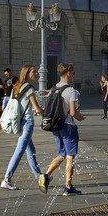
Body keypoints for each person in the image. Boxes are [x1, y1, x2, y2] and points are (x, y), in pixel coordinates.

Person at [34, 62, 86, 195]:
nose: (73, 76)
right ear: (68, 73)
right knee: (70, 157)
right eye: (73, 73)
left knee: (61, 154)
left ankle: (45, 175)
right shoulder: (71, 91)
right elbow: (73, 113)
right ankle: (68, 187)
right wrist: (81, 118)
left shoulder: (53, 88)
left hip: (56, 126)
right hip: (68, 127)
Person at [0, 65, 44, 189]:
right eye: (34, 71)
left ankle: (39, 177)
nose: (36, 73)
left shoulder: (15, 87)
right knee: (19, 151)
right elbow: (37, 109)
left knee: (31, 151)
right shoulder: (30, 89)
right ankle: (7, 178)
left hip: (20, 123)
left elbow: (7, 108)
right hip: (27, 123)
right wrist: (53, 112)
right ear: (27, 73)